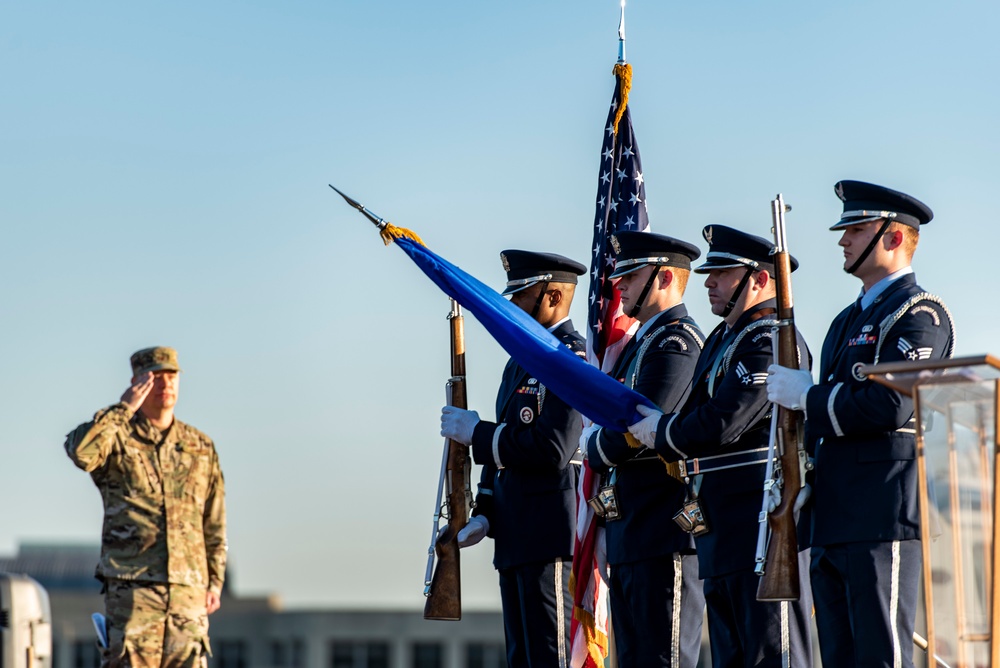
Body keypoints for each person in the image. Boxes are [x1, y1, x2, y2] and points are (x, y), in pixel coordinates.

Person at [766, 180, 955, 667]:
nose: (842, 239)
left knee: (881, 653)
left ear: (892, 238)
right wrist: (803, 474)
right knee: (841, 656)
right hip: (830, 513)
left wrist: (808, 396)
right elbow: (824, 422)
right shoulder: (844, 321)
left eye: (855, 227)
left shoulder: (921, 314)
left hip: (879, 513)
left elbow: (890, 406)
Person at [628, 225, 813, 668]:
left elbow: (722, 423)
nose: (709, 282)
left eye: (724, 273)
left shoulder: (769, 339)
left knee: (773, 653)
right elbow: (697, 412)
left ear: (761, 280)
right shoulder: (722, 339)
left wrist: (662, 432)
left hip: (759, 522)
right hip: (721, 526)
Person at [439, 250, 586, 668]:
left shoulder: (570, 359)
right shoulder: (521, 362)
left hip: (551, 535)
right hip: (516, 535)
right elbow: (508, 445)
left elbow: (553, 446)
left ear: (552, 296)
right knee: (522, 657)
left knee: (551, 656)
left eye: (520, 296)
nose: (509, 308)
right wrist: (485, 511)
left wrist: (478, 434)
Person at [580, 231, 706, 668]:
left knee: (663, 659)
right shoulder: (641, 345)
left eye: (632, 276)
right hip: (633, 530)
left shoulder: (677, 343)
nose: (621, 287)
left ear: (665, 277)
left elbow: (640, 423)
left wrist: (595, 445)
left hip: (663, 528)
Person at [65, 347, 227, 668]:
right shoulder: (117, 438)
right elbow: (82, 453)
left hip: (188, 596)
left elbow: (213, 520)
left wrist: (215, 581)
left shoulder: (200, 446)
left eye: (172, 376)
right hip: (134, 591)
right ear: (137, 382)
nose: (166, 384)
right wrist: (123, 409)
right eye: (155, 377)